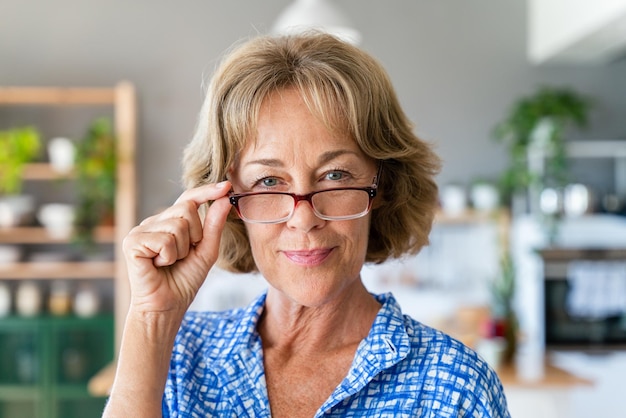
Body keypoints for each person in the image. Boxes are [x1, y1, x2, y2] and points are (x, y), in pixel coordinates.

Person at [103, 31, 510, 418]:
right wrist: (151, 319)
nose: (304, 218)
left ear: (381, 184)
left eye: (335, 175)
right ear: (226, 201)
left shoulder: (455, 385)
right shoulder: (177, 358)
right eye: (268, 181)